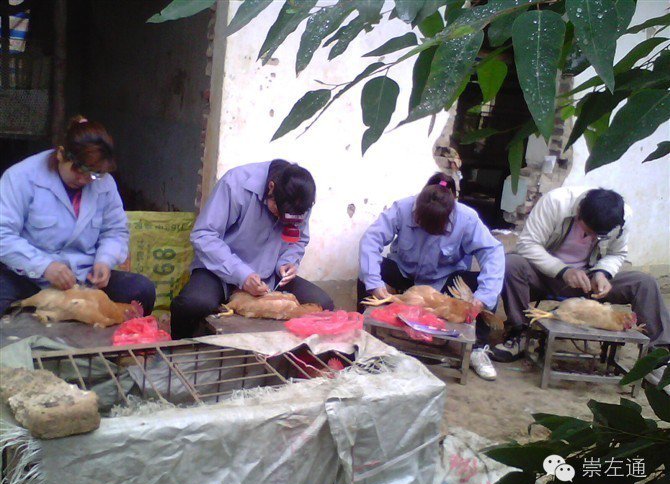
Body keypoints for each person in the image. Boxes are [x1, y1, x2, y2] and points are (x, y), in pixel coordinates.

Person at [0, 116, 156, 316]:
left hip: (84, 278)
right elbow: (3, 235)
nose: (84, 179)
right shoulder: (21, 177)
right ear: (61, 154)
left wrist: (104, 261)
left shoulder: (104, 183)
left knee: (142, 290)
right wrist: (44, 266)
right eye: (79, 169)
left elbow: (115, 231)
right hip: (29, 277)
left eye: (94, 173)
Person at [494, 186, 670, 362]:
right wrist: (563, 271)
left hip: (590, 282)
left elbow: (617, 253)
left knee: (644, 282)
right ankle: (519, 333)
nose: (592, 238)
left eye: (598, 236)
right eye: (588, 232)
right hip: (545, 274)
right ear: (578, 212)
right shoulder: (556, 202)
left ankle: (659, 356)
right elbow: (527, 244)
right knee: (512, 264)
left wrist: (602, 273)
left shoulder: (622, 218)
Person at [358, 172, 505, 380]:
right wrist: (374, 282)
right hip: (405, 273)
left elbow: (493, 252)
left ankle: (478, 349)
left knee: (490, 287)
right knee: (369, 272)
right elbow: (371, 240)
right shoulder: (402, 208)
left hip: (444, 280)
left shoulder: (466, 218)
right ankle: (362, 338)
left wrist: (483, 297)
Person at [170, 159, 334, 338]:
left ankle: (287, 359)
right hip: (219, 273)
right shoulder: (236, 183)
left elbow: (298, 239)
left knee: (322, 304)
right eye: (278, 213)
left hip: (270, 277)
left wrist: (288, 261)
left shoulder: (299, 201)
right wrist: (242, 275)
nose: (282, 220)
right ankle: (178, 357)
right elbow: (203, 235)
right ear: (271, 188)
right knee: (192, 305)